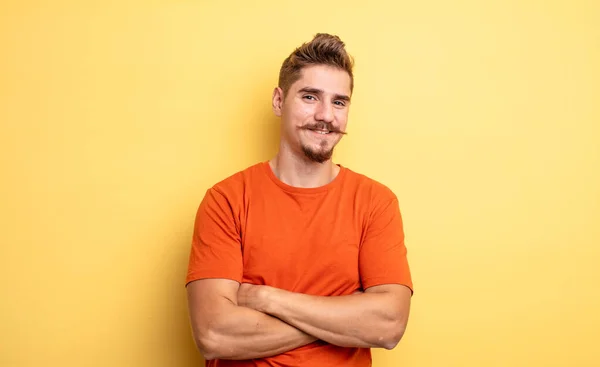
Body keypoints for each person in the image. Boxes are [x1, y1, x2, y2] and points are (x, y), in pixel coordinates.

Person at [185, 33, 413, 367]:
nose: (326, 115)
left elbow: (389, 325)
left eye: (339, 102)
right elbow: (214, 335)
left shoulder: (376, 202)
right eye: (310, 97)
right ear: (279, 101)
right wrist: (345, 316)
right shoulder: (226, 200)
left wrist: (266, 298)